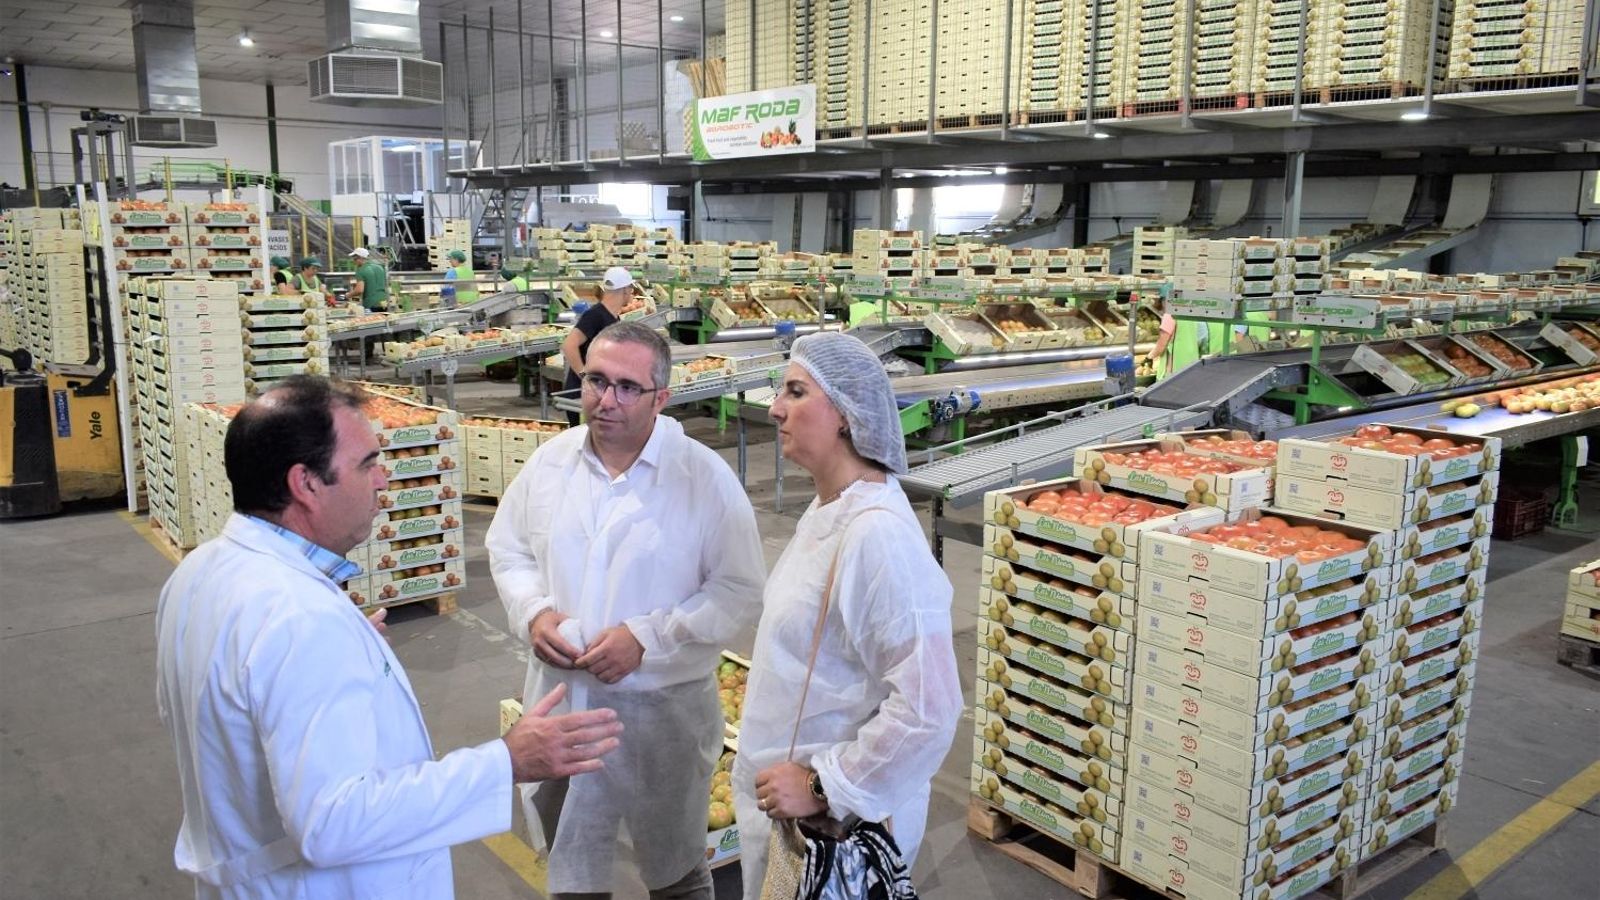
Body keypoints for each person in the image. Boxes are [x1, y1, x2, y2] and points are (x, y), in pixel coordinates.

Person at [156, 376, 623, 899]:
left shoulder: (198, 574)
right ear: (305, 484)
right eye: (366, 464)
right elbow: (331, 823)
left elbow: (235, 706)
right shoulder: (299, 618)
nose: (383, 480)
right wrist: (505, 762)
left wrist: (345, 648)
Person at [486, 321, 766, 900]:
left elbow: (737, 587)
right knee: (572, 859)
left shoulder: (702, 480)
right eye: (595, 380)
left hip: (660, 714)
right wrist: (534, 612)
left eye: (627, 387)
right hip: (563, 704)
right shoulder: (551, 464)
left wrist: (648, 638)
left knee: (676, 867)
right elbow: (507, 547)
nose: (606, 399)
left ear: (662, 397)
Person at [734, 332, 963, 900]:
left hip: (834, 833)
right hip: (792, 821)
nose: (775, 407)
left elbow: (930, 707)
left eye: (795, 391)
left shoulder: (877, 536)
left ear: (844, 413)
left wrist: (823, 785)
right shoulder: (831, 508)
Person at [559, 266, 637, 426]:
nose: (632, 292)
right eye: (631, 288)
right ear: (624, 290)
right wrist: (585, 375)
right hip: (582, 396)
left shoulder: (613, 318)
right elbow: (569, 345)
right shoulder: (595, 315)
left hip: (598, 395)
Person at [1143, 292, 1200, 379]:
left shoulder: (1170, 315)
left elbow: (1162, 344)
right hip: (1191, 364)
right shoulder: (1191, 314)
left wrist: (1149, 357)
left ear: (1166, 301)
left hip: (1174, 368)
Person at [348, 247, 389, 312]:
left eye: (355, 259)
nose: (354, 261)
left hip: (370, 305)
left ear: (360, 258)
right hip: (384, 303)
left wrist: (349, 295)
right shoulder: (380, 267)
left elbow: (359, 290)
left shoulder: (361, 270)